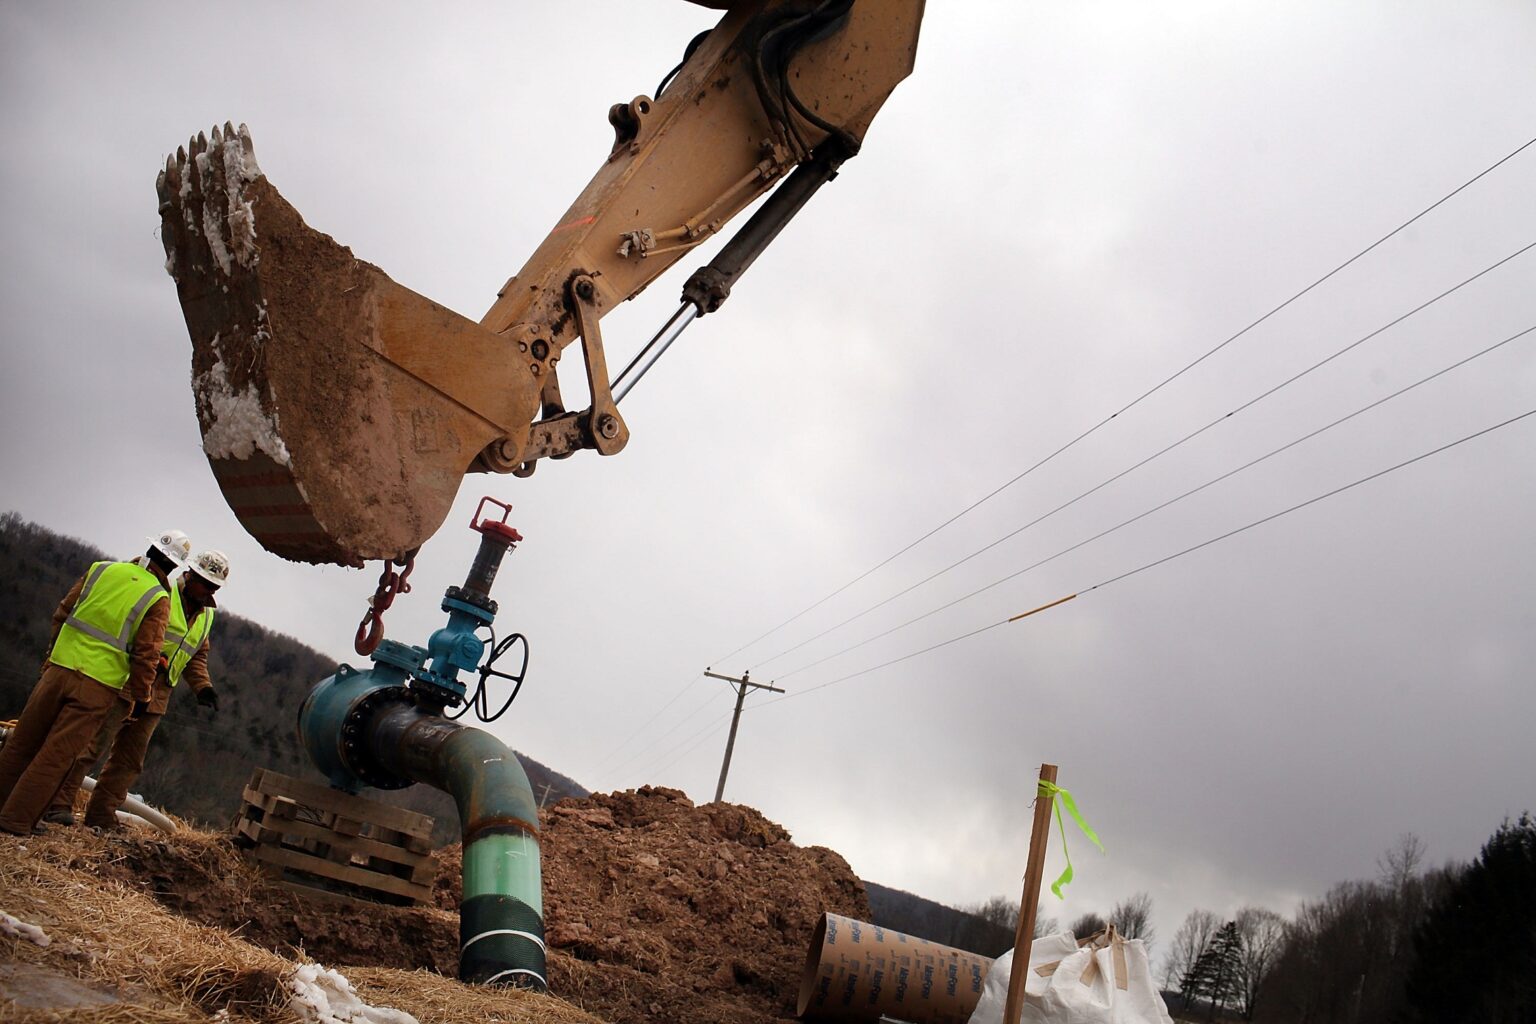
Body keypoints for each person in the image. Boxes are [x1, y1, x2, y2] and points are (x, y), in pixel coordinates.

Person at [0, 530, 189, 836]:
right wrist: (141, 698)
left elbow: (62, 612)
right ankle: (15, 820)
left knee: (21, 742)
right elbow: (146, 655)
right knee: (57, 755)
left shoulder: (101, 570)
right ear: (174, 567)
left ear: (151, 548)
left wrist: (51, 656)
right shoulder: (158, 598)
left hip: (57, 671)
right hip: (96, 687)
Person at [45, 549, 228, 830]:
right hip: (125, 682)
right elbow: (137, 635)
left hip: (159, 694)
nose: (209, 590)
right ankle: (58, 804)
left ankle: (101, 817)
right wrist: (153, 663)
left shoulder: (206, 615)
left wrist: (203, 686)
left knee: (129, 761)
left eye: (214, 586)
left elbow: (197, 653)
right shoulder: (161, 594)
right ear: (189, 574)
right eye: (205, 583)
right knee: (90, 746)